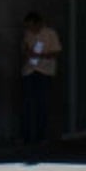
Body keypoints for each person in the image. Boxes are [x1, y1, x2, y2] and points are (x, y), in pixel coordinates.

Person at [21, 11, 62, 146]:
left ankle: (41, 135)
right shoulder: (28, 34)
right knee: (28, 104)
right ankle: (26, 135)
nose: (30, 29)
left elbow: (56, 52)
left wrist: (41, 56)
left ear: (38, 23)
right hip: (29, 70)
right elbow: (25, 49)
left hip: (44, 71)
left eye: (32, 26)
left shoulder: (50, 33)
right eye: (28, 27)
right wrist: (28, 53)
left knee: (42, 104)